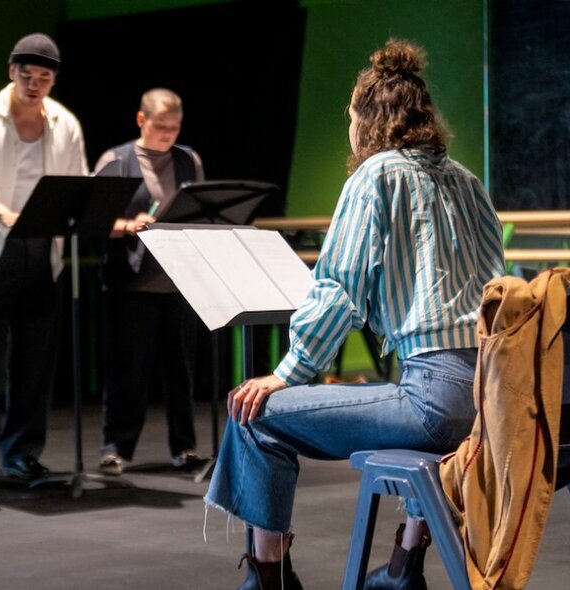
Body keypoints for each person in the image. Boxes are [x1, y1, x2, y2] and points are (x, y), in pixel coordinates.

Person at [203, 39, 505, 590]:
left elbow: (337, 289)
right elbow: (497, 288)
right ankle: (400, 568)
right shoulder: (469, 181)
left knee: (253, 413)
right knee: (430, 440)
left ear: (367, 121)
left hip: (433, 399)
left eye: (349, 118)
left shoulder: (374, 177)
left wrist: (286, 373)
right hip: (491, 397)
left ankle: (267, 579)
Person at [0, 33, 88, 489]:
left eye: (44, 78)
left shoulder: (64, 122)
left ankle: (23, 454)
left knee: (35, 361)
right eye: (27, 76)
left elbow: (77, 184)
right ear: (12, 72)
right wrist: (5, 212)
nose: (35, 85)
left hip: (42, 249)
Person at [94, 88, 208, 476]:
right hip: (130, 284)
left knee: (181, 371)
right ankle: (116, 448)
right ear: (141, 120)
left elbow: (201, 211)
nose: (167, 135)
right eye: (160, 127)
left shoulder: (188, 159)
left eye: (174, 128)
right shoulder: (116, 159)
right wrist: (129, 225)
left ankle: (185, 447)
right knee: (128, 370)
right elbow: (92, 218)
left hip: (177, 282)